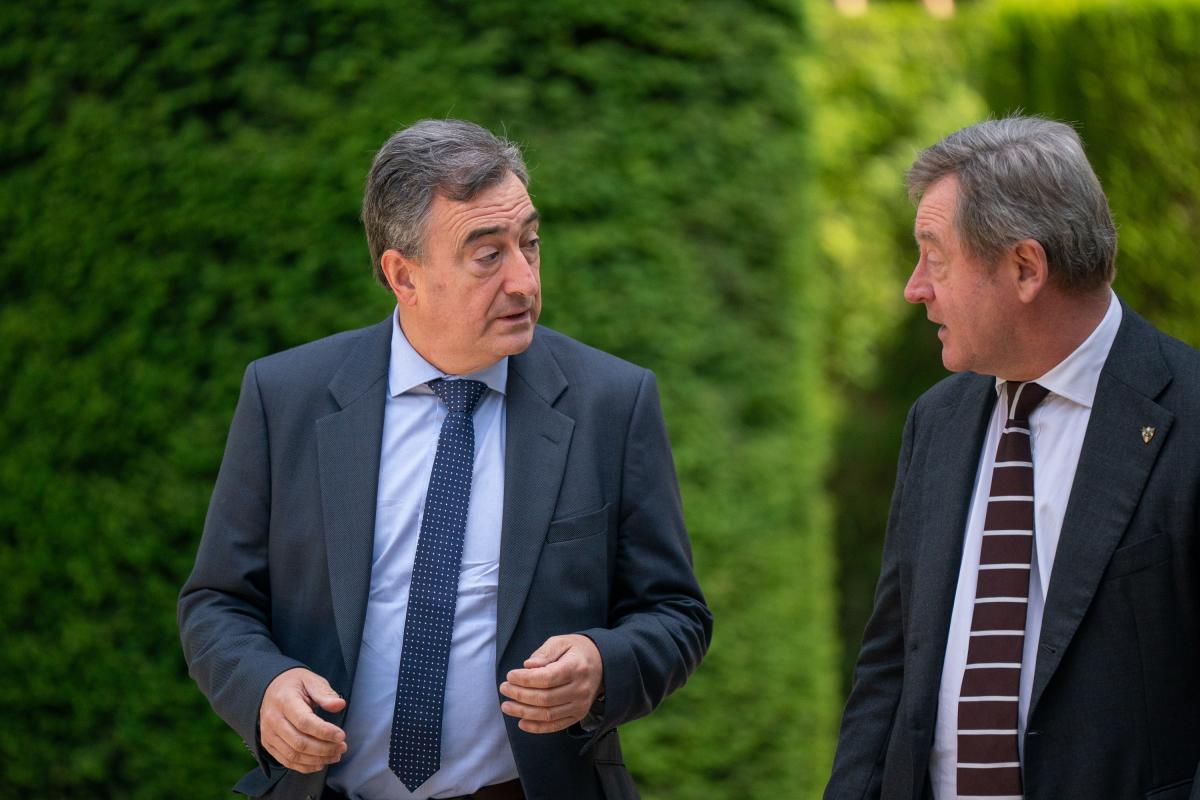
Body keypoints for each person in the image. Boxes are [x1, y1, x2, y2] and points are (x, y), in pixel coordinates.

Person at [179, 119, 712, 800]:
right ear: (403, 275)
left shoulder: (612, 402)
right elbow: (217, 602)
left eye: (529, 243)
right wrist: (263, 689)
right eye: (487, 255)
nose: (523, 281)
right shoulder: (285, 397)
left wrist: (602, 667)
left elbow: (676, 613)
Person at [824, 116, 1200, 799]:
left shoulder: (1190, 416)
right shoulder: (936, 422)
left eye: (935, 258)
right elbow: (890, 671)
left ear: (1025, 267)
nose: (915, 287)